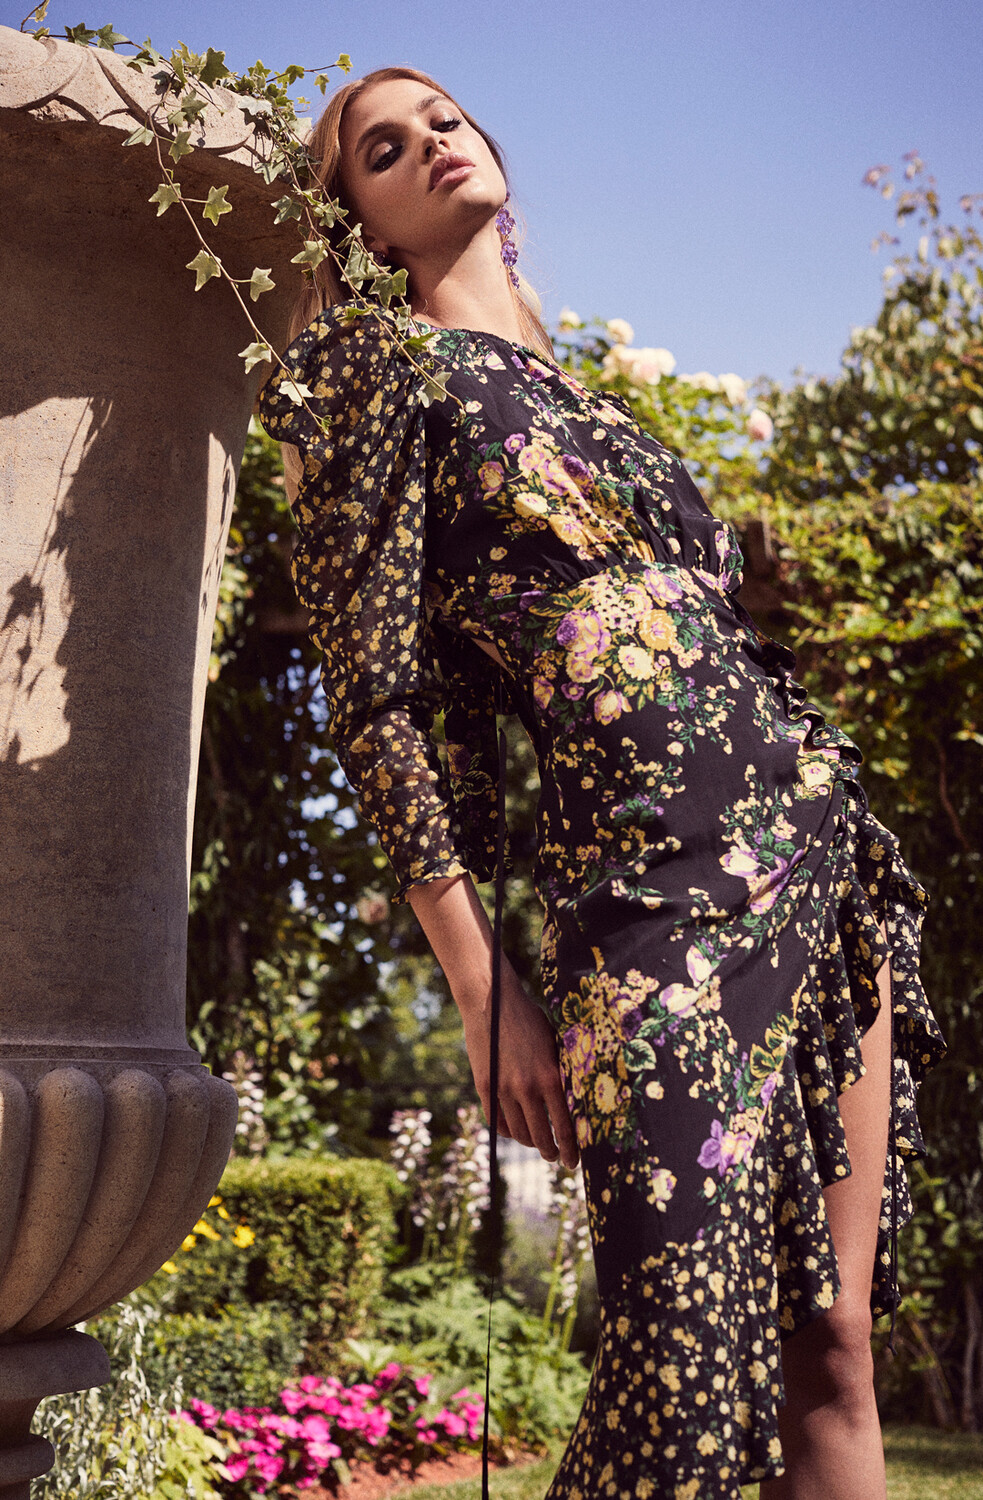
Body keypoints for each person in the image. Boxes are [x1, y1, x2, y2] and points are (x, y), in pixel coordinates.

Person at [257, 66, 946, 1500]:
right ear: (363, 228)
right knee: (677, 1370)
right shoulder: (378, 377)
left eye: (443, 119)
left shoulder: (596, 403)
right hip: (651, 905)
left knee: (836, 1348)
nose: (430, 143)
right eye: (383, 148)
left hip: (818, 853)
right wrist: (484, 991)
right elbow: (377, 706)